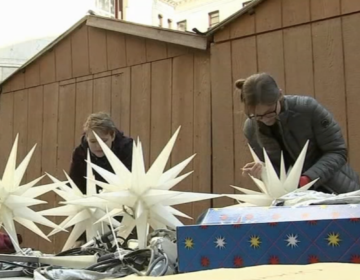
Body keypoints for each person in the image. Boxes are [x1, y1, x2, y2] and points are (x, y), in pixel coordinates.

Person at [237, 72, 360, 194]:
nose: (265, 119)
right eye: (257, 116)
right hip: (291, 200)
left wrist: (308, 178)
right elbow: (273, 170)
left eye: (270, 112)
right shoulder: (251, 127)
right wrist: (261, 171)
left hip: (336, 191)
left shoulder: (307, 109)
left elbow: (337, 151)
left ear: (280, 95)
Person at [69, 112, 133, 194]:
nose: (99, 146)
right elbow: (74, 187)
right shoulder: (80, 153)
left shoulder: (127, 149)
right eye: (93, 141)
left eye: (103, 141)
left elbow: (132, 184)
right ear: (86, 138)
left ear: (112, 136)